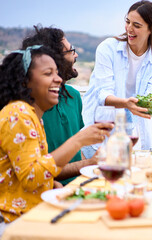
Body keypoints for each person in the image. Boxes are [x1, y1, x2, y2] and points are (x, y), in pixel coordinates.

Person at [0, 46, 113, 225]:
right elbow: (31, 177)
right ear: (24, 81)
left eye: (57, 73)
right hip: (15, 222)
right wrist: (78, 141)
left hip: (33, 214)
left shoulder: (32, 115)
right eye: (48, 73)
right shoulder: (18, 113)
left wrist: (51, 184)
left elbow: (25, 170)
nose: (58, 79)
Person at [82, 0, 152, 158]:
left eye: (137, 25)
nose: (129, 29)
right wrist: (126, 104)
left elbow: (151, 95)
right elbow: (103, 94)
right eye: (127, 22)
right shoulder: (108, 48)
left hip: (132, 138)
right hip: (100, 134)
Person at [22, 25, 93, 185]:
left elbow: (75, 153)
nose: (76, 54)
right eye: (70, 50)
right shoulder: (25, 109)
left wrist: (90, 170)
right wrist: (88, 162)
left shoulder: (74, 96)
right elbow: (35, 172)